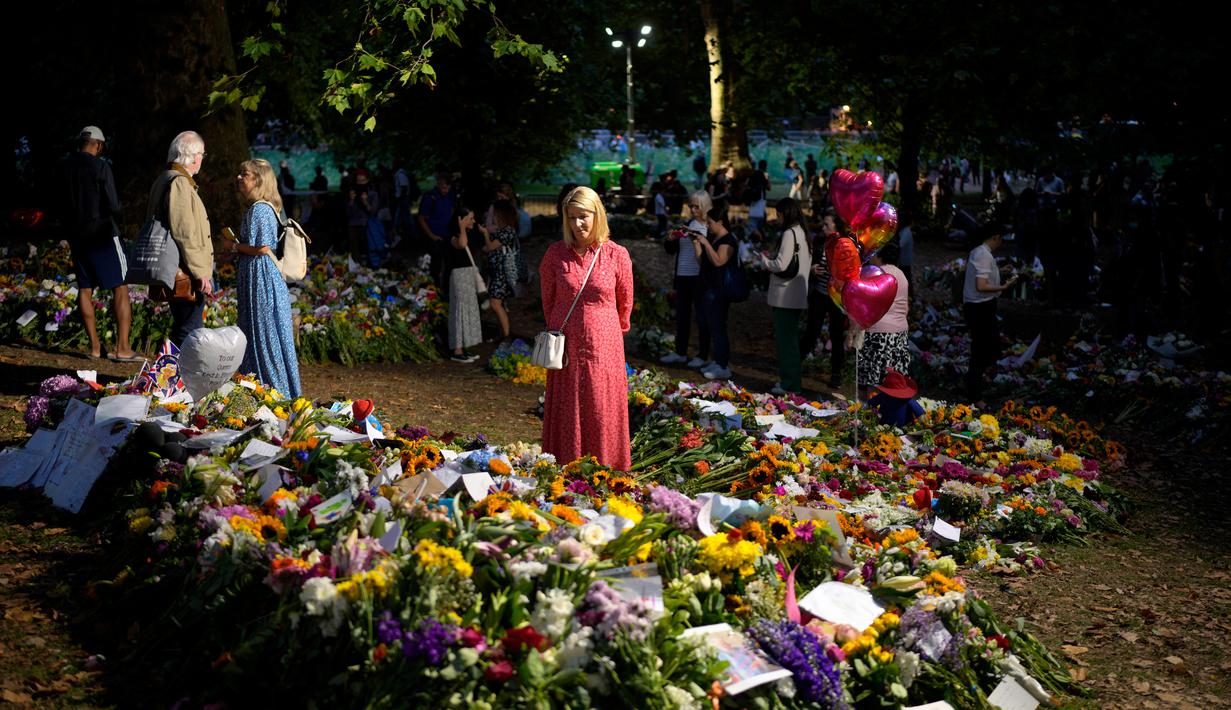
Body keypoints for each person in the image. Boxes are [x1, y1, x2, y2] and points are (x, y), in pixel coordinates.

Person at [539, 186, 634, 470]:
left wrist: (607, 331)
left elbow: (625, 302)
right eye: (571, 218)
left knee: (600, 405)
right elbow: (548, 299)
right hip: (565, 344)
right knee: (568, 403)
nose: (577, 224)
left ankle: (606, 465)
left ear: (597, 215)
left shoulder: (616, 255)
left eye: (583, 216)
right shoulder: (555, 254)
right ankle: (565, 463)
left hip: (605, 345)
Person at [58, 125, 138, 361]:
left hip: (77, 235)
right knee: (121, 286)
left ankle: (94, 347)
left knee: (85, 288)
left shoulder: (64, 167)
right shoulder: (102, 166)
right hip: (103, 234)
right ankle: (122, 348)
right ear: (99, 145)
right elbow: (113, 205)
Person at [229, 159, 302, 397]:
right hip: (258, 276)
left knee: (263, 333)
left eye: (245, 174)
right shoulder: (264, 206)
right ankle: (262, 387)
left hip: (261, 278)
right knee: (261, 331)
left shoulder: (260, 209)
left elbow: (262, 248)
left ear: (259, 180)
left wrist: (235, 246)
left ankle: (273, 390)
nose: (240, 178)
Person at [148, 130, 213, 347]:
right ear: (194, 156)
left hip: (176, 268)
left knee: (184, 327)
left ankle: (170, 374)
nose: (202, 159)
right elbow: (184, 232)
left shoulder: (164, 178)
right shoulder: (179, 183)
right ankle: (174, 375)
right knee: (188, 331)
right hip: (185, 271)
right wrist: (200, 271)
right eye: (202, 155)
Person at [760, 197, 811, 395]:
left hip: (786, 295)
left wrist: (765, 261)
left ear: (785, 214)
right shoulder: (802, 232)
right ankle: (791, 382)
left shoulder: (790, 233)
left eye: (778, 214)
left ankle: (790, 384)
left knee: (786, 342)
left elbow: (781, 264)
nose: (777, 218)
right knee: (790, 340)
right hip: (797, 294)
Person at [963, 223, 1018, 401]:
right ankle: (974, 394)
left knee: (989, 347)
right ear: (995, 237)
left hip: (981, 306)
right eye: (1001, 239)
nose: (1000, 244)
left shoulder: (980, 252)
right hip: (980, 308)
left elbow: (981, 276)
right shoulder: (983, 255)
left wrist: (999, 271)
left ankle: (980, 385)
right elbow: (981, 285)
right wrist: (1004, 286)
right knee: (981, 350)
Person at [660, 191, 713, 369]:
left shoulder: (709, 227)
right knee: (682, 316)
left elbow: (712, 254)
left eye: (696, 206)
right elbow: (671, 250)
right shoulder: (687, 225)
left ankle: (703, 354)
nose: (693, 209)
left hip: (700, 278)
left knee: (703, 317)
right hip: (683, 275)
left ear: (705, 206)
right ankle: (680, 352)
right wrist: (671, 239)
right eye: (691, 206)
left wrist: (700, 240)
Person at [853, 242, 910, 401]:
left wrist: (854, 330)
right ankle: (889, 412)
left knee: (868, 378)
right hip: (899, 332)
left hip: (878, 331)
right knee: (893, 379)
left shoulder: (876, 274)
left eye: (873, 254)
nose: (870, 258)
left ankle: (867, 413)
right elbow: (906, 307)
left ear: (880, 256)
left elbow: (866, 306)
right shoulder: (901, 274)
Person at [801, 213, 846, 389]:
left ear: (836, 226)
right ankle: (796, 363)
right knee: (812, 330)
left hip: (837, 298)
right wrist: (812, 269)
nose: (823, 228)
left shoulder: (846, 245)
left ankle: (836, 373)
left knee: (836, 335)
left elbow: (852, 271)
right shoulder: (820, 242)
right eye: (823, 225)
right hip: (820, 293)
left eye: (827, 225)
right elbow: (810, 262)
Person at [695, 207, 738, 380]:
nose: (708, 226)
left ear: (720, 222)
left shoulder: (728, 240)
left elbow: (719, 261)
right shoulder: (713, 238)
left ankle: (723, 364)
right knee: (711, 325)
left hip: (720, 290)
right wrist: (697, 244)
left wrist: (705, 244)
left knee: (719, 326)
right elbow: (703, 262)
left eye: (710, 222)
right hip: (709, 287)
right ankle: (717, 359)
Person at [446, 205, 485, 362]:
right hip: (459, 276)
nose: (474, 221)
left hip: (467, 275)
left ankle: (464, 346)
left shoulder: (468, 234)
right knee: (460, 311)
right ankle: (457, 349)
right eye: (470, 218)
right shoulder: (454, 236)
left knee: (468, 311)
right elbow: (461, 244)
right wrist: (461, 227)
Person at [482, 199, 522, 341]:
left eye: (496, 215)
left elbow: (491, 247)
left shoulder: (507, 231)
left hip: (502, 274)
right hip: (496, 273)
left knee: (495, 303)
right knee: (500, 305)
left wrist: (486, 235)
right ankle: (502, 334)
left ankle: (506, 336)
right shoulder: (502, 230)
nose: (493, 217)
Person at [419, 173, 456, 293]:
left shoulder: (450, 195)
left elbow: (451, 210)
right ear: (439, 185)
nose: (446, 190)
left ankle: (446, 291)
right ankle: (434, 291)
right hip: (435, 237)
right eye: (444, 188)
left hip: (448, 236)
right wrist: (431, 235)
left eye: (448, 188)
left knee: (450, 265)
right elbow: (421, 218)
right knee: (435, 267)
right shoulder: (430, 197)